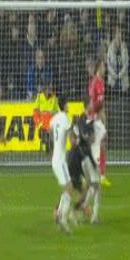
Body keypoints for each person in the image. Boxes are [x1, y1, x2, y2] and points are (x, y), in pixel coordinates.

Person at [67, 113, 100, 224]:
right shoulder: (80, 134)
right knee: (81, 190)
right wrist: (94, 165)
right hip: (75, 163)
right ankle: (71, 211)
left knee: (81, 189)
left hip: (75, 162)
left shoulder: (77, 132)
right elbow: (85, 151)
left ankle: (78, 208)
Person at [50, 96, 73, 232]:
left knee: (67, 188)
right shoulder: (65, 118)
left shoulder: (55, 118)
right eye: (67, 104)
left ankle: (59, 214)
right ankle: (63, 219)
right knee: (69, 189)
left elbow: (50, 131)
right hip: (61, 160)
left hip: (55, 158)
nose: (68, 106)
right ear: (64, 105)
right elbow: (71, 137)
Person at [89, 60, 111, 188]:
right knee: (96, 147)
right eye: (103, 66)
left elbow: (101, 102)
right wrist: (95, 118)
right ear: (98, 68)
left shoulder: (101, 82)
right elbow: (93, 102)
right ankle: (92, 175)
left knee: (102, 146)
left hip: (98, 117)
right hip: (94, 118)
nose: (105, 69)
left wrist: (103, 116)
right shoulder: (94, 83)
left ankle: (101, 176)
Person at [33, 76, 59, 154]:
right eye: (49, 89)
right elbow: (35, 111)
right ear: (45, 89)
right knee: (43, 133)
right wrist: (39, 123)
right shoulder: (39, 97)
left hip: (52, 125)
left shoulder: (54, 98)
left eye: (51, 89)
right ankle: (48, 144)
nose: (51, 90)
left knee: (51, 133)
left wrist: (52, 113)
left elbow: (58, 111)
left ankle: (50, 146)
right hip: (42, 125)